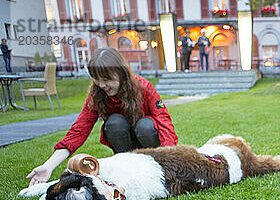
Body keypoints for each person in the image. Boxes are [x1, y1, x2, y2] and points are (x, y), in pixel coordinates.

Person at [26, 48, 178, 186]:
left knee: (146, 125)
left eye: (106, 79)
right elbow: (79, 129)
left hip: (148, 140)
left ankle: (155, 165)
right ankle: (125, 165)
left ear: (121, 73)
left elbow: (164, 121)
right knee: (114, 122)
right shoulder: (96, 95)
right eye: (96, 79)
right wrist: (48, 166)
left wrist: (172, 160)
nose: (102, 84)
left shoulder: (143, 87)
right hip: (125, 146)